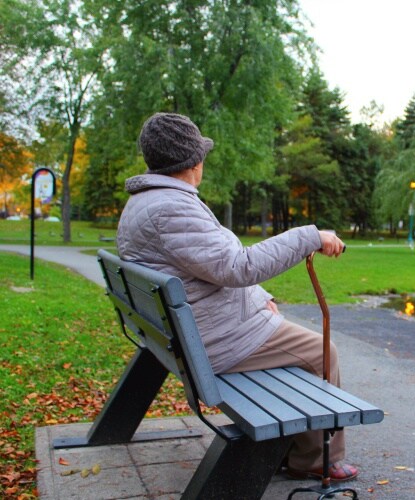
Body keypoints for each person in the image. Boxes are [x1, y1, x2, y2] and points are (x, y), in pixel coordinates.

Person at [117, 112, 358, 482]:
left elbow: (208, 265)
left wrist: (261, 296)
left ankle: (293, 447)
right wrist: (309, 236)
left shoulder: (147, 202)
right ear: (193, 162)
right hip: (217, 342)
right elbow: (236, 266)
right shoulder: (172, 207)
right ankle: (311, 460)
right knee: (322, 352)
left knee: (300, 344)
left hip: (194, 333)